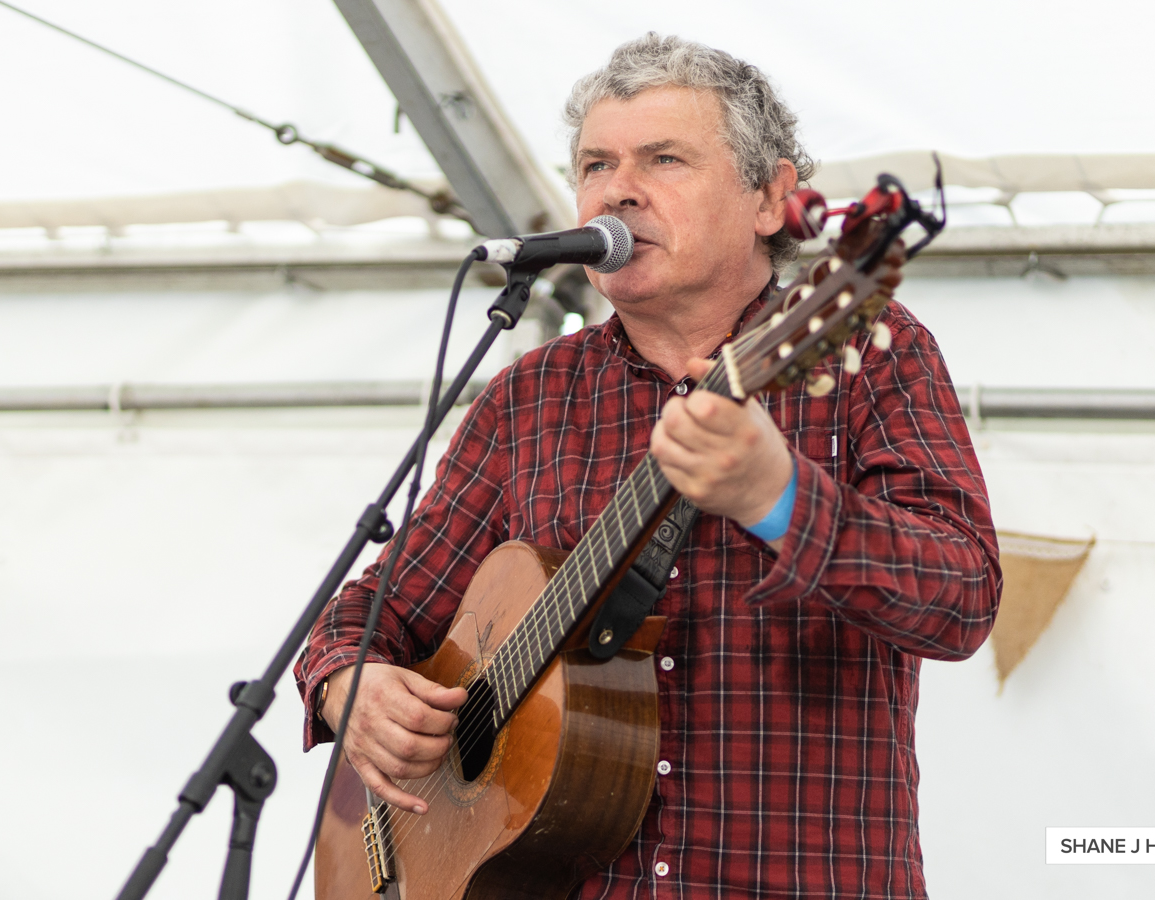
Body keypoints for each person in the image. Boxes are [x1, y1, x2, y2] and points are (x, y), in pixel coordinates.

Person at [296, 33, 1000, 899]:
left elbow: (961, 595)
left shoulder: (869, 349)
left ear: (773, 198)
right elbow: (380, 606)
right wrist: (346, 683)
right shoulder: (532, 395)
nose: (617, 189)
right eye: (596, 164)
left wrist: (778, 499)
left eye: (664, 158)